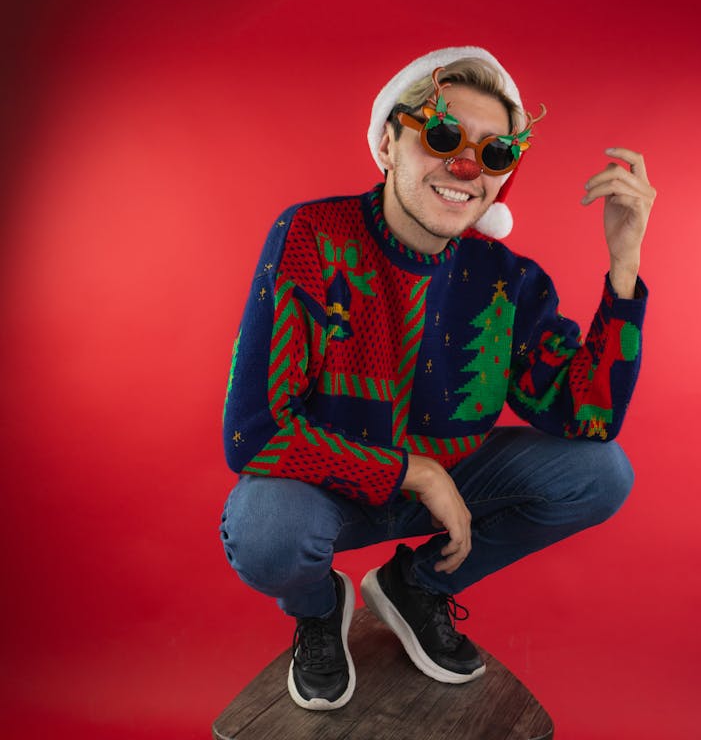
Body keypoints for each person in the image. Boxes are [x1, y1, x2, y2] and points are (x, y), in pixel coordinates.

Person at [219, 46, 655, 711]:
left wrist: (623, 266)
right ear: (390, 144)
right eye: (444, 136)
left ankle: (416, 586)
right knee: (265, 530)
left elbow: (587, 417)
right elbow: (253, 434)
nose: (465, 169)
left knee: (604, 473)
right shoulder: (311, 234)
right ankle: (318, 609)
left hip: (453, 482)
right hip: (327, 492)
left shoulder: (507, 280)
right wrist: (413, 472)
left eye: (495, 154)